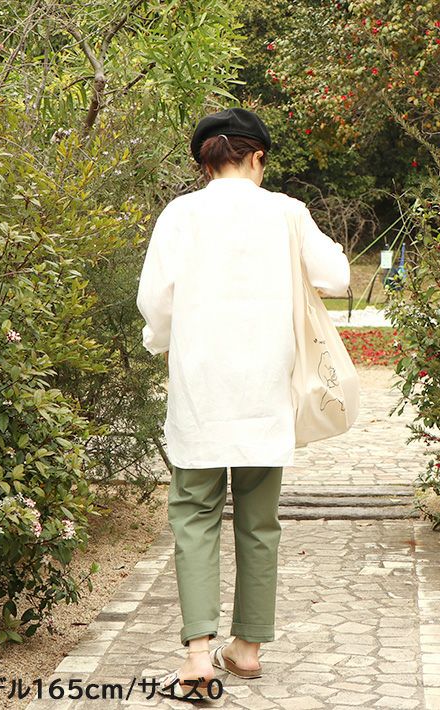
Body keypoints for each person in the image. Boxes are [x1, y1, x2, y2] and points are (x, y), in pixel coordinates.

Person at [135, 107, 350, 699]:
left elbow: (155, 301)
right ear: (257, 157)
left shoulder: (181, 214)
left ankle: (197, 656)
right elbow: (337, 278)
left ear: (205, 162)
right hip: (264, 391)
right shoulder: (286, 212)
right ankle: (248, 649)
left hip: (200, 391)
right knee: (259, 522)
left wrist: (164, 342)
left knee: (193, 516)